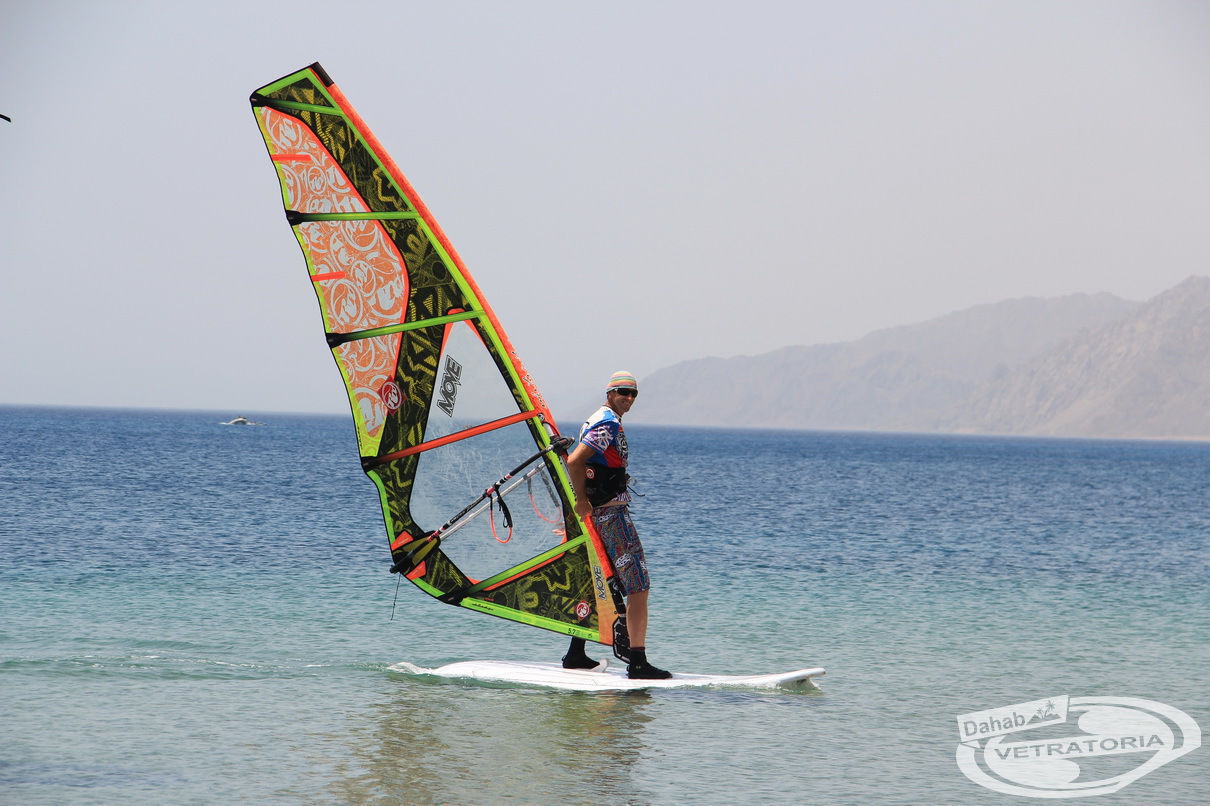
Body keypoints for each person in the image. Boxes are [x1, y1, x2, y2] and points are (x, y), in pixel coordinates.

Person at [561, 371, 672, 679]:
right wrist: (581, 501)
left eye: (634, 393)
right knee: (638, 586)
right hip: (611, 517)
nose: (629, 398)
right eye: (623, 391)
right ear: (609, 393)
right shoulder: (607, 423)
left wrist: (581, 506)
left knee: (597, 582)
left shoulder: (596, 419)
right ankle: (637, 662)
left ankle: (575, 653)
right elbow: (575, 461)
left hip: (600, 516)